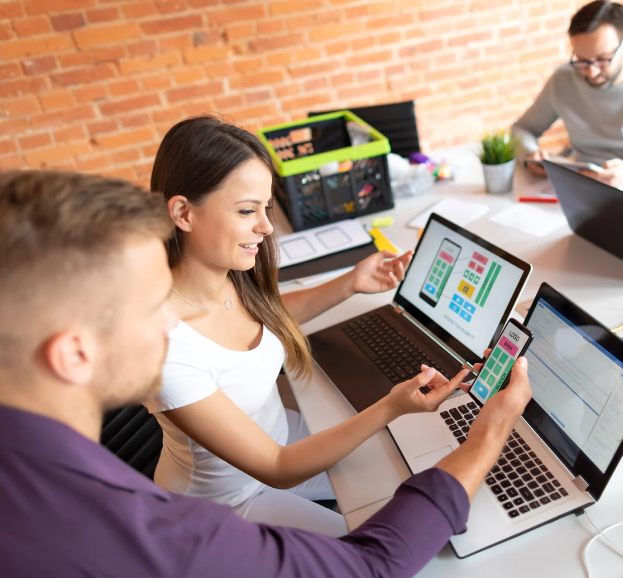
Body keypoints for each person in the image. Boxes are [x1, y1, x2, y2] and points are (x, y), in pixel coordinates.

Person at [0, 169, 532, 578]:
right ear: (73, 354)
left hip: (272, 448)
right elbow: (370, 567)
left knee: (398, 463)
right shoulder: (147, 534)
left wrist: (348, 284)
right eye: (149, 306)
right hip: (241, 495)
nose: (171, 321)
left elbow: (247, 323)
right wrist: (488, 435)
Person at [147, 115, 477, 535]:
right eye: (247, 210)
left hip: (285, 439)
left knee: (409, 477)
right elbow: (277, 468)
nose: (266, 227)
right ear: (183, 213)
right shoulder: (164, 348)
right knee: (370, 552)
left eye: (266, 208)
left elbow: (262, 317)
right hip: (226, 508)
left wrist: (350, 283)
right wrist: (391, 405)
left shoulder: (223, 274)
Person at [512, 0, 623, 187]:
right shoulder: (564, 79)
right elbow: (522, 129)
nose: (591, 72)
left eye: (603, 59)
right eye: (582, 60)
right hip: (580, 187)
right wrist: (530, 155)